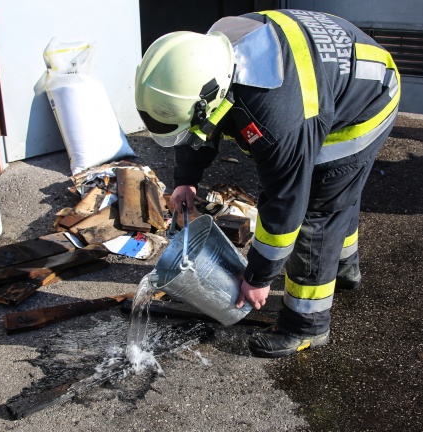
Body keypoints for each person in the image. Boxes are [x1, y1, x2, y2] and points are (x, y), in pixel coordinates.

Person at [135, 9, 400, 357]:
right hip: (333, 80)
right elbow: (201, 125)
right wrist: (186, 180)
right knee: (338, 198)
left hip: (366, 102)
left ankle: (307, 324)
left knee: (318, 209)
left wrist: (259, 277)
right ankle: (344, 268)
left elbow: (286, 202)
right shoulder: (209, 59)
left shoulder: (278, 119)